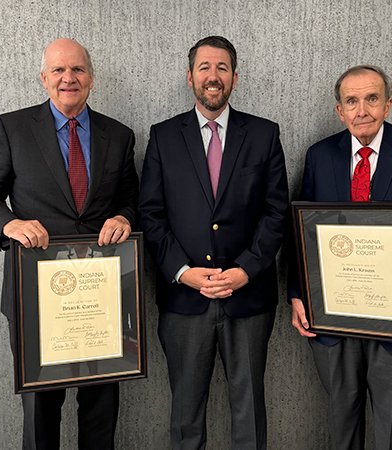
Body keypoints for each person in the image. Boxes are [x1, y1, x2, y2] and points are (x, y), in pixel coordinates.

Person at [0, 38, 139, 450]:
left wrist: (124, 217)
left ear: (92, 79)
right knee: (41, 412)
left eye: (78, 70)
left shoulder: (119, 135)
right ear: (43, 78)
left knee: (101, 409)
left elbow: (133, 199)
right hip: (37, 296)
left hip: (101, 298)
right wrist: (9, 225)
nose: (69, 78)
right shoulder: (11, 127)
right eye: (59, 71)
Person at [289, 65, 392, 449]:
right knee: (341, 419)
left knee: (390, 421)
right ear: (339, 110)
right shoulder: (319, 156)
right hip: (333, 313)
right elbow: (301, 233)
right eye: (352, 101)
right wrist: (298, 293)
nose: (361, 109)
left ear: (388, 104)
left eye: (371, 98)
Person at [138, 36, 289, 449]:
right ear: (189, 77)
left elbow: (276, 213)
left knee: (249, 411)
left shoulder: (263, 134)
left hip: (249, 297)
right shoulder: (164, 136)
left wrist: (246, 270)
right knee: (185, 417)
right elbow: (150, 215)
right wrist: (184, 273)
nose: (213, 76)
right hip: (185, 299)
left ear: (235, 78)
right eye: (204, 67)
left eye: (222, 68)